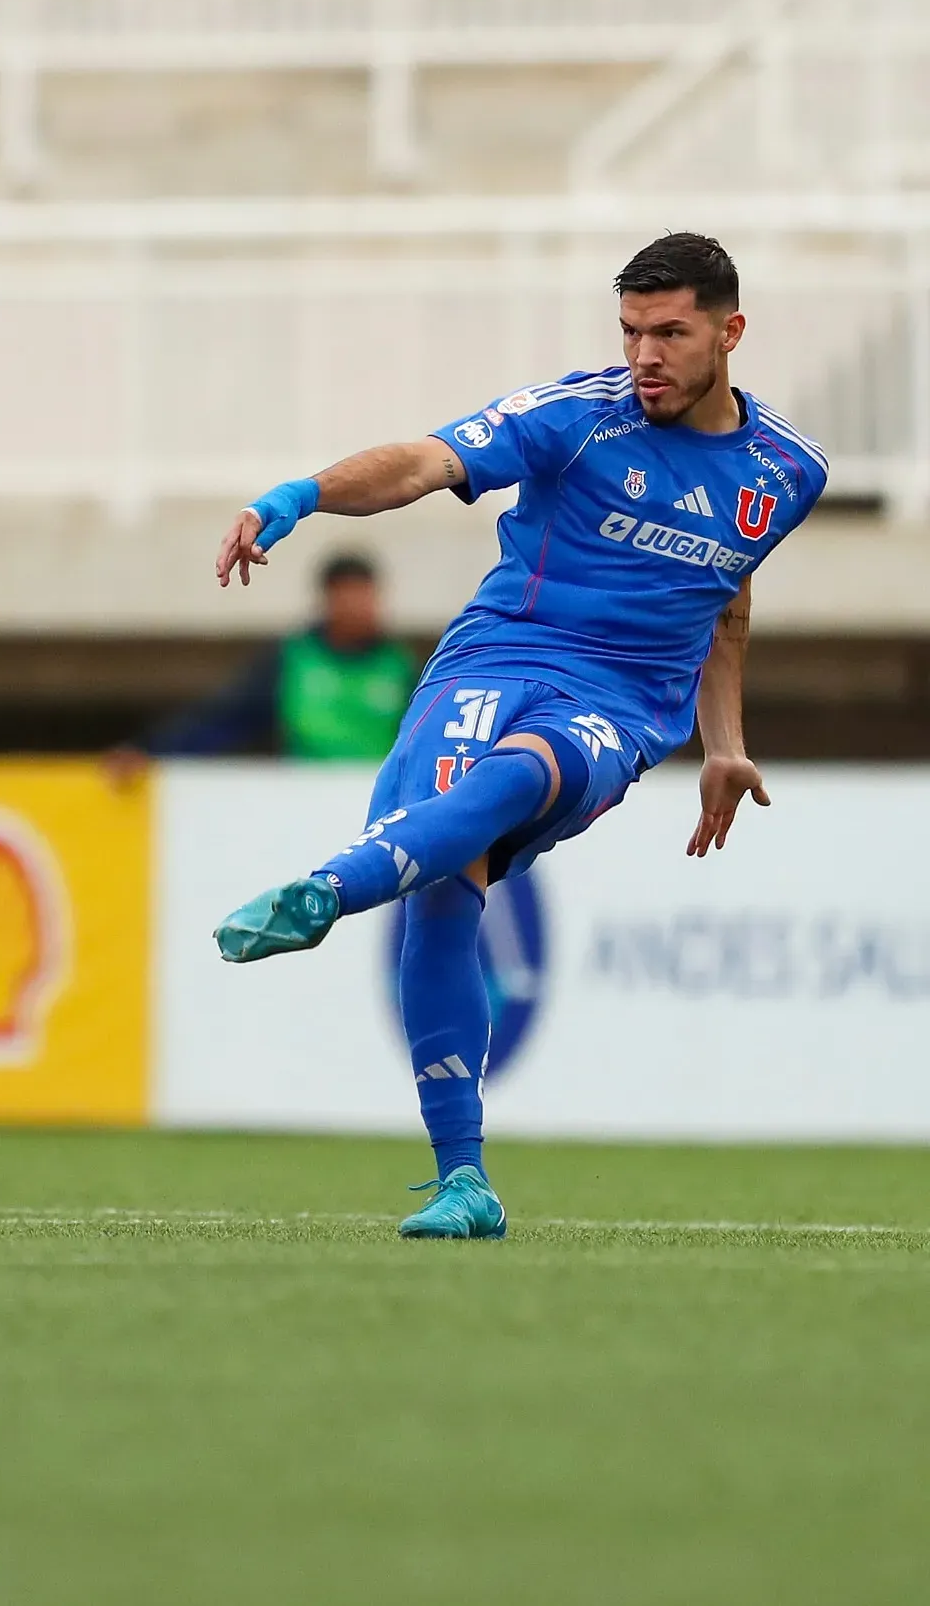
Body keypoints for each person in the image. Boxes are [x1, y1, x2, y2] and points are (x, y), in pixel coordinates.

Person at [211, 232, 828, 1241]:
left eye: (671, 332)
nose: (646, 356)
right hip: (493, 660)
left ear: (731, 332)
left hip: (623, 700)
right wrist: (295, 496)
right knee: (447, 891)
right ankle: (466, 1183)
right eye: (632, 331)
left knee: (528, 773)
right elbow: (425, 459)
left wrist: (723, 737)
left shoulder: (789, 471)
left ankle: (332, 886)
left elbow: (726, 593)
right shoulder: (578, 417)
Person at [124, 552, 417, 763]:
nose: (359, 610)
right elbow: (226, 719)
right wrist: (148, 752)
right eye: (349, 599)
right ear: (328, 600)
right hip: (302, 807)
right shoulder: (292, 661)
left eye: (366, 598)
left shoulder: (401, 668)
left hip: (375, 811)